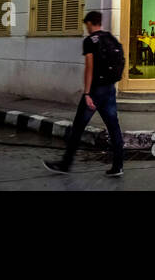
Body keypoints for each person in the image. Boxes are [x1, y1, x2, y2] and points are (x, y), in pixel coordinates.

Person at [45, 11, 126, 177]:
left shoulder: (90, 41)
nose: (86, 28)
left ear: (90, 23)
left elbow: (89, 68)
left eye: (86, 24)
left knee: (77, 128)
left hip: (95, 90)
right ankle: (118, 166)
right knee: (114, 127)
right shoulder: (110, 38)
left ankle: (65, 164)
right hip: (109, 89)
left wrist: (87, 93)